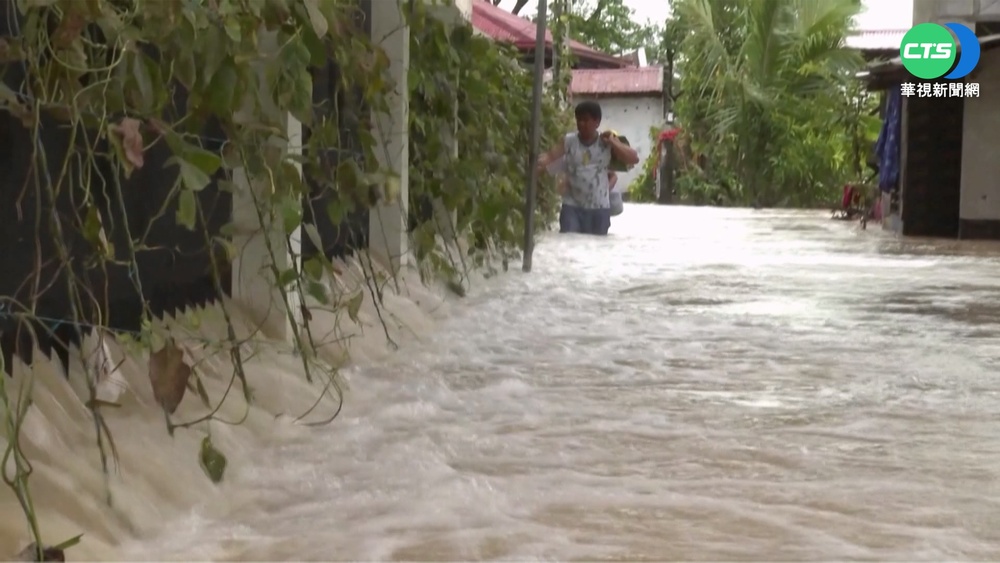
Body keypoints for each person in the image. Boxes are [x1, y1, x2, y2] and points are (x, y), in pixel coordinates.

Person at [538, 101, 639, 236]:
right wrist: (535, 166)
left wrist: (614, 142)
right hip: (571, 206)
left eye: (586, 120)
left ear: (597, 122)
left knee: (595, 249)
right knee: (569, 244)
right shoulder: (569, 141)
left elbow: (633, 159)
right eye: (579, 120)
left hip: (599, 208)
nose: (581, 124)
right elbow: (550, 157)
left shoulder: (606, 143)